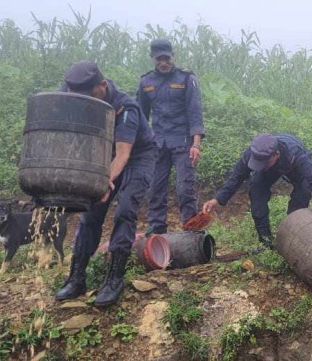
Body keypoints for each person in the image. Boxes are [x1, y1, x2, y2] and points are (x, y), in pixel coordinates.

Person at [55, 61, 158, 307]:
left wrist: (105, 182)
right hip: (103, 155)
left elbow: (123, 155)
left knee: (124, 212)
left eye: (90, 95)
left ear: (102, 86)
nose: (85, 101)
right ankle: (77, 277)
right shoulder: (73, 95)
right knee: (91, 213)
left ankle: (114, 279)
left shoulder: (126, 108)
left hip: (137, 157)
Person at [202, 134, 312, 248]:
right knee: (256, 188)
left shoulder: (295, 154)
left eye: (264, 163)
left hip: (293, 168)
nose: (260, 166)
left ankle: (292, 232)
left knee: (303, 190)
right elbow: (236, 177)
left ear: (276, 155)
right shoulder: (253, 153)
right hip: (270, 170)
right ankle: (265, 241)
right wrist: (217, 199)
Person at [137, 39, 205, 234]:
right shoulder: (146, 82)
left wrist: (196, 144)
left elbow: (195, 112)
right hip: (157, 144)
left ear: (173, 57)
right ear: (153, 59)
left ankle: (191, 230)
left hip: (183, 143)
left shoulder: (186, 79)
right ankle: (157, 230)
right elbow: (141, 117)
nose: (163, 63)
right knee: (155, 189)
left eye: (167, 59)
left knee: (185, 188)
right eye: (159, 59)